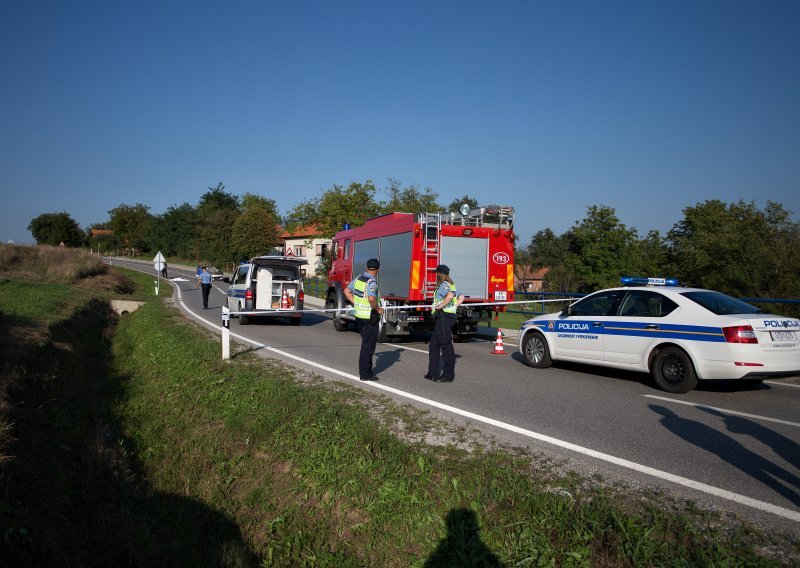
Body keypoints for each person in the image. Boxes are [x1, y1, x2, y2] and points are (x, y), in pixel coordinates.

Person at [342, 258, 384, 381]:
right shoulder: (372, 282)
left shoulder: (359, 278)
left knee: (366, 344)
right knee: (368, 346)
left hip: (359, 316)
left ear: (366, 267)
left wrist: (357, 303)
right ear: (378, 269)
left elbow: (346, 291)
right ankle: (365, 374)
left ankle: (367, 371)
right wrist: (378, 309)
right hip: (369, 317)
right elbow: (371, 299)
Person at [426, 264, 464, 383]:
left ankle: (448, 375)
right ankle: (432, 373)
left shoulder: (444, 285)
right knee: (433, 345)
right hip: (447, 317)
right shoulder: (451, 284)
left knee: (446, 346)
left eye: (437, 273)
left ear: (439, 273)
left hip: (443, 317)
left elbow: (450, 295)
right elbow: (461, 297)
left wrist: (440, 307)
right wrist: (453, 306)